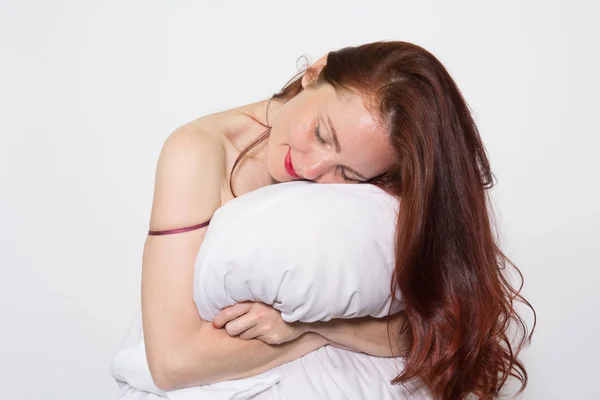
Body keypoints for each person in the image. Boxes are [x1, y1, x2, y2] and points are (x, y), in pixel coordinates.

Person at [141, 40, 535, 400]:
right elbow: (171, 363)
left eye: (348, 174)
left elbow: (426, 330)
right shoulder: (196, 152)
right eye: (321, 134)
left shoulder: (380, 181)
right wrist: (299, 338)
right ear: (314, 73)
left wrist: (315, 327)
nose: (312, 167)